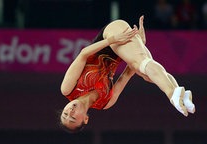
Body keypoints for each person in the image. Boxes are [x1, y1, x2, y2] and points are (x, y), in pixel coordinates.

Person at [59, 15, 195, 133]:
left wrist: (112, 39)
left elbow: (83, 54)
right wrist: (140, 45)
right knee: (144, 74)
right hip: (121, 51)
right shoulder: (105, 103)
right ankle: (181, 94)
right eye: (73, 117)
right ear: (86, 119)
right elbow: (127, 75)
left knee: (140, 63)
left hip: (111, 34)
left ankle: (173, 94)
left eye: (65, 113)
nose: (70, 112)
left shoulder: (68, 89)